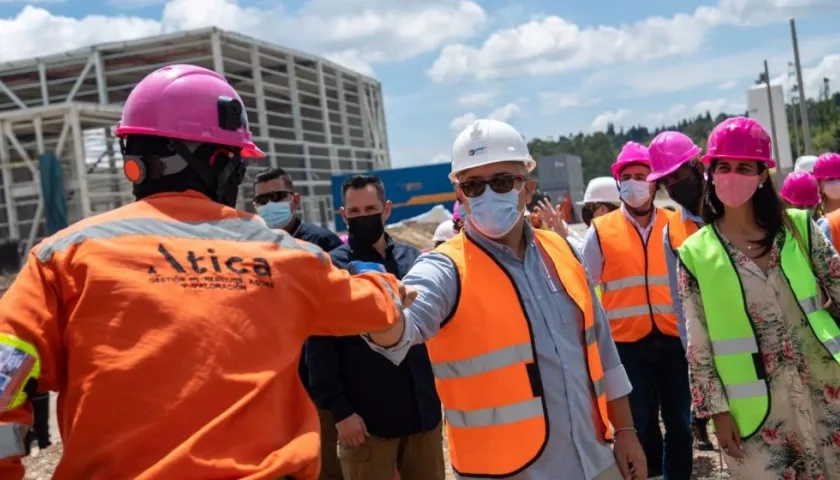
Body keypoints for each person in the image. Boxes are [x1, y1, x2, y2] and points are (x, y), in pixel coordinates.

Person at [0, 64, 410, 479]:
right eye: (237, 163)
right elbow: (379, 308)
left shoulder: (63, 257)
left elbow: (4, 373)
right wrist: (381, 278)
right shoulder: (283, 256)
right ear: (219, 162)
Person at [365, 119, 646, 480]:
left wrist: (625, 432)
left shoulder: (564, 252)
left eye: (500, 182)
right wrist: (379, 313)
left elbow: (603, 353)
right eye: (473, 186)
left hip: (594, 459)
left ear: (527, 188)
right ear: (460, 196)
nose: (487, 195)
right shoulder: (445, 267)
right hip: (504, 472)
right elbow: (404, 324)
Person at [677, 116, 840, 478]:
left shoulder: (798, 228)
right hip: (757, 412)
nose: (731, 175)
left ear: (762, 174)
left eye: (743, 167)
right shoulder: (695, 254)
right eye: (723, 167)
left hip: (826, 389)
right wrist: (716, 411)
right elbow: (698, 343)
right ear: (711, 173)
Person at [307, 174, 444, 480]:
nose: (362, 217)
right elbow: (319, 347)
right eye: (353, 212)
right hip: (367, 423)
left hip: (423, 415)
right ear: (343, 215)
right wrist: (341, 412)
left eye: (370, 208)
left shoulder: (414, 261)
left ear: (387, 210)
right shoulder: (332, 270)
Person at [582, 142, 692, 480]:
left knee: (681, 425)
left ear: (656, 181)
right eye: (626, 177)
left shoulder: (677, 223)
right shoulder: (600, 231)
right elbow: (585, 289)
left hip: (675, 341)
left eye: (641, 176)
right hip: (627, 346)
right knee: (642, 425)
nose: (633, 183)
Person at [251, 166, 346, 480]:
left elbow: (343, 314)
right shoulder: (251, 250)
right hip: (274, 389)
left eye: (276, 196)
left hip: (319, 388)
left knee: (324, 468)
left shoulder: (321, 244)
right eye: (261, 200)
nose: (269, 205)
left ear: (295, 199)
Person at [646, 131, 714, 453]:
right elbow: (679, 299)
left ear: (697, 167)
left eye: (678, 175)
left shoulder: (730, 209)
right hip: (711, 339)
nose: (673, 185)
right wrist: (692, 351)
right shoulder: (670, 233)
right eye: (666, 181)